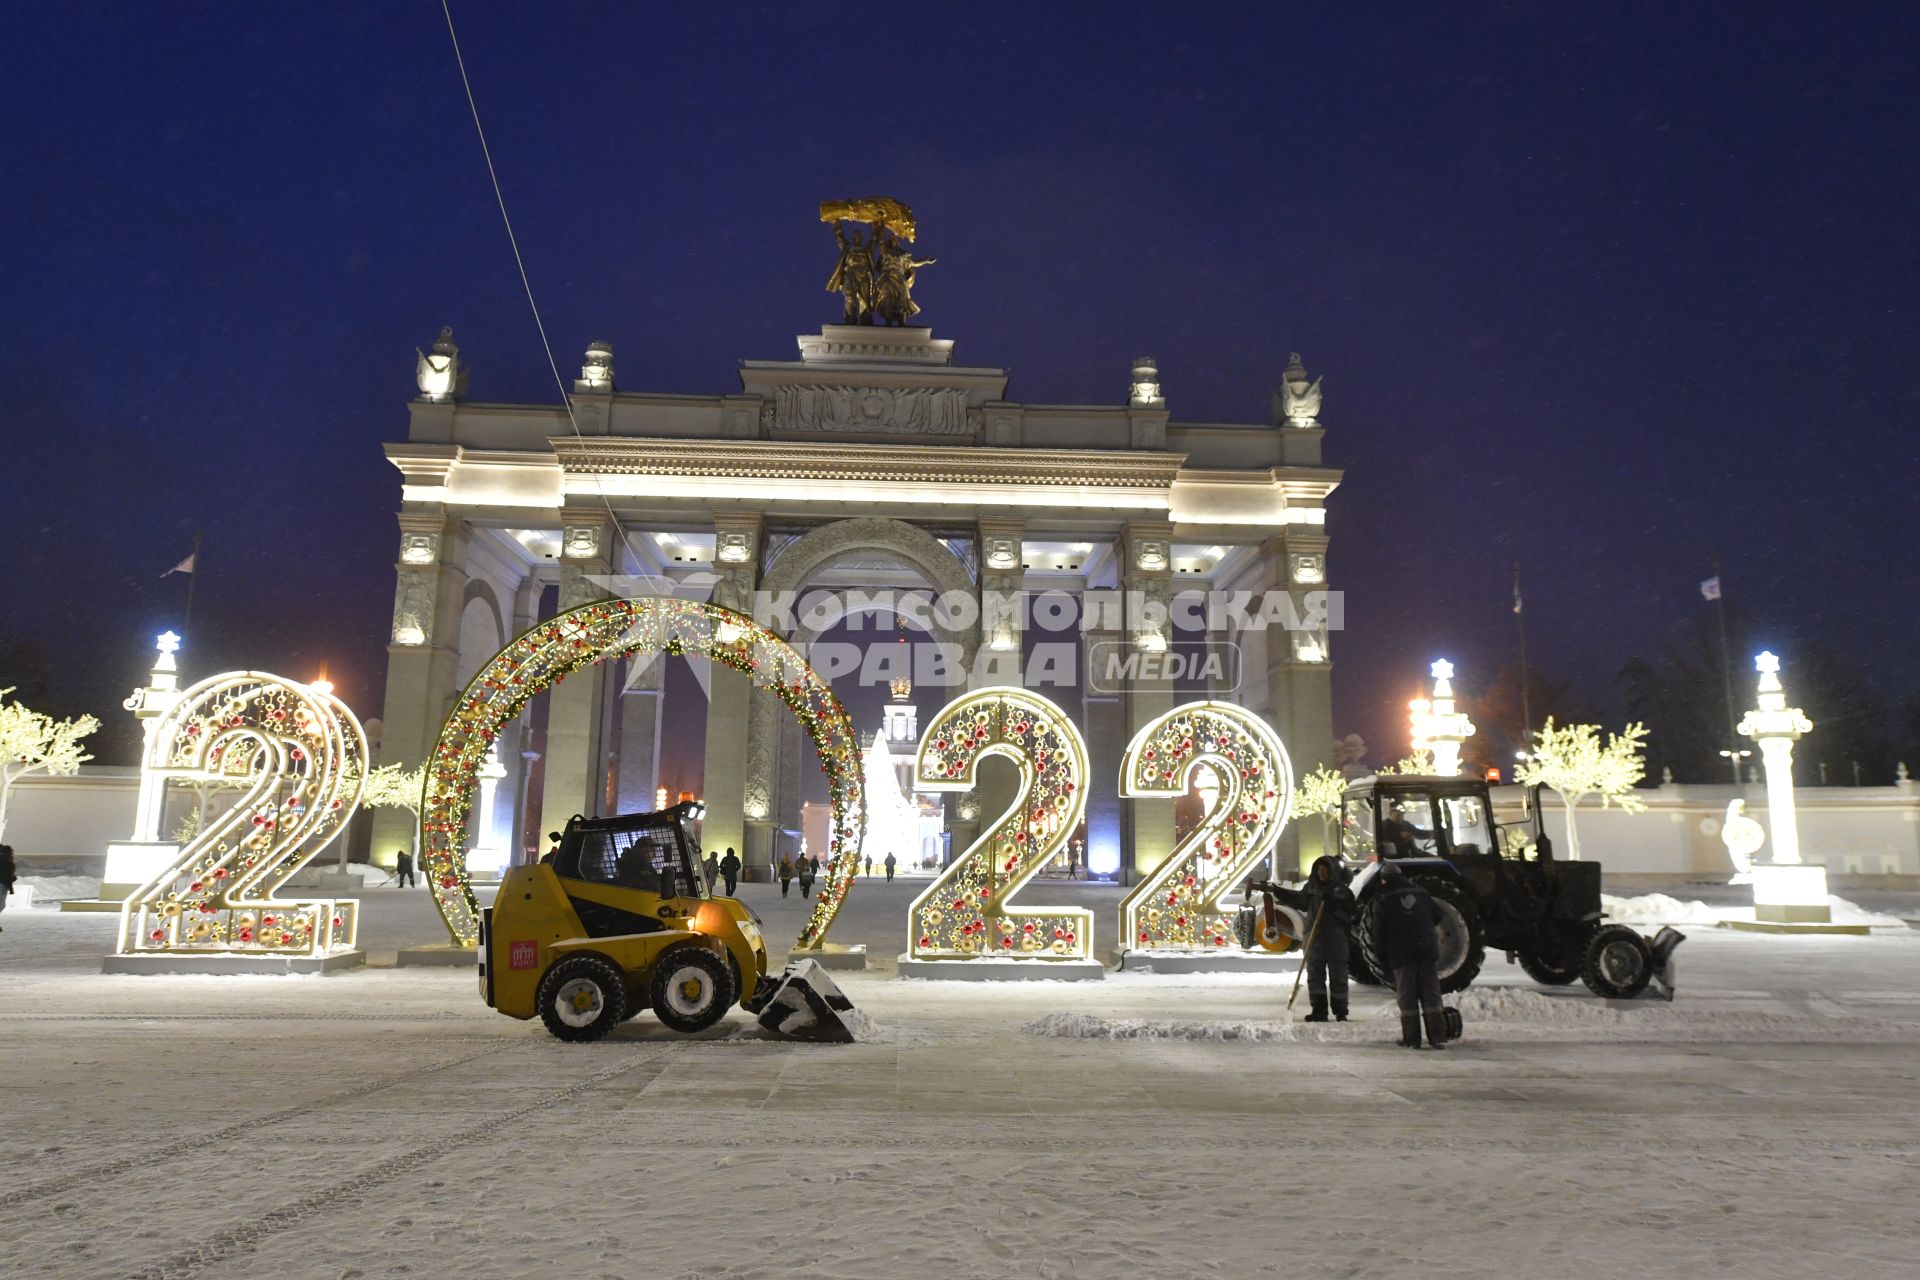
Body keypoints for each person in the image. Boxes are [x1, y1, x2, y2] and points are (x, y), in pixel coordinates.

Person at [1370, 857, 1450, 1049]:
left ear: (1384, 879)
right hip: (1426, 950)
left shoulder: (1384, 898)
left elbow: (1378, 932)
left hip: (1402, 952)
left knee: (1408, 997)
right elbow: (1438, 915)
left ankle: (1412, 1039)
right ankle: (1437, 1037)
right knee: (1431, 995)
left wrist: (1380, 956)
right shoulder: (1421, 892)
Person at [1294, 856, 1355, 1022]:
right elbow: (1300, 901)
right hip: (1314, 939)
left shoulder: (1341, 891)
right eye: (1319, 870)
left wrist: (1335, 907)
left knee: (1338, 977)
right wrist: (1277, 892)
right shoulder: (1311, 888)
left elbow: (1350, 915)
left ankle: (1340, 1011)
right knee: (1315, 976)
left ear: (1332, 871)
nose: (1321, 873)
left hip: (1335, 940)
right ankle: (1319, 1010)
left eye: (1325, 870)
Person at [0, 843, 16, 932]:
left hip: (2, 883)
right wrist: (11, 888)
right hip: (2, 885)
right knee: (1, 905)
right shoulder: (8, 862)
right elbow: (8, 876)